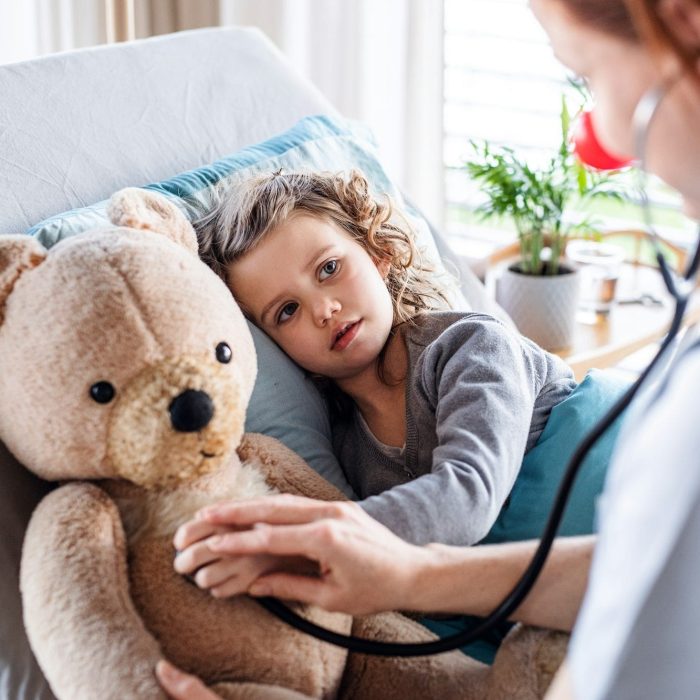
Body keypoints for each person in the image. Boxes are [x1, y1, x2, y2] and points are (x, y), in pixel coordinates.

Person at [159, 0, 700, 698]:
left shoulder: (469, 346)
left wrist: (332, 533)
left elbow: (467, 497)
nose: (323, 307)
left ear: (380, 254)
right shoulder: (346, 451)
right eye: (287, 311)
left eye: (331, 268)